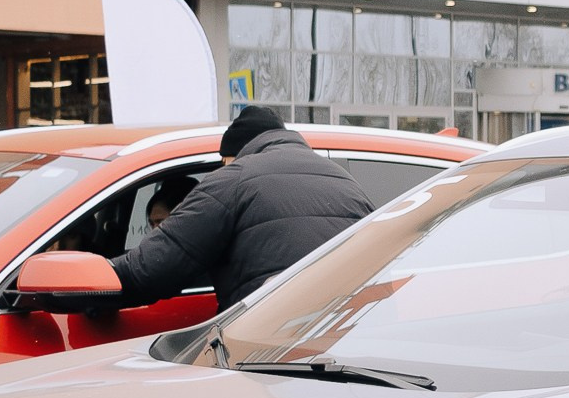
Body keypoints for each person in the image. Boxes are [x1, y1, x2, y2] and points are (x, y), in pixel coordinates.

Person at [106, 106, 372, 307]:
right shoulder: (345, 180)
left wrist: (97, 283)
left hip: (266, 344)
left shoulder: (235, 177)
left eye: (223, 161)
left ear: (233, 155)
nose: (222, 168)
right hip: (343, 343)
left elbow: (152, 269)